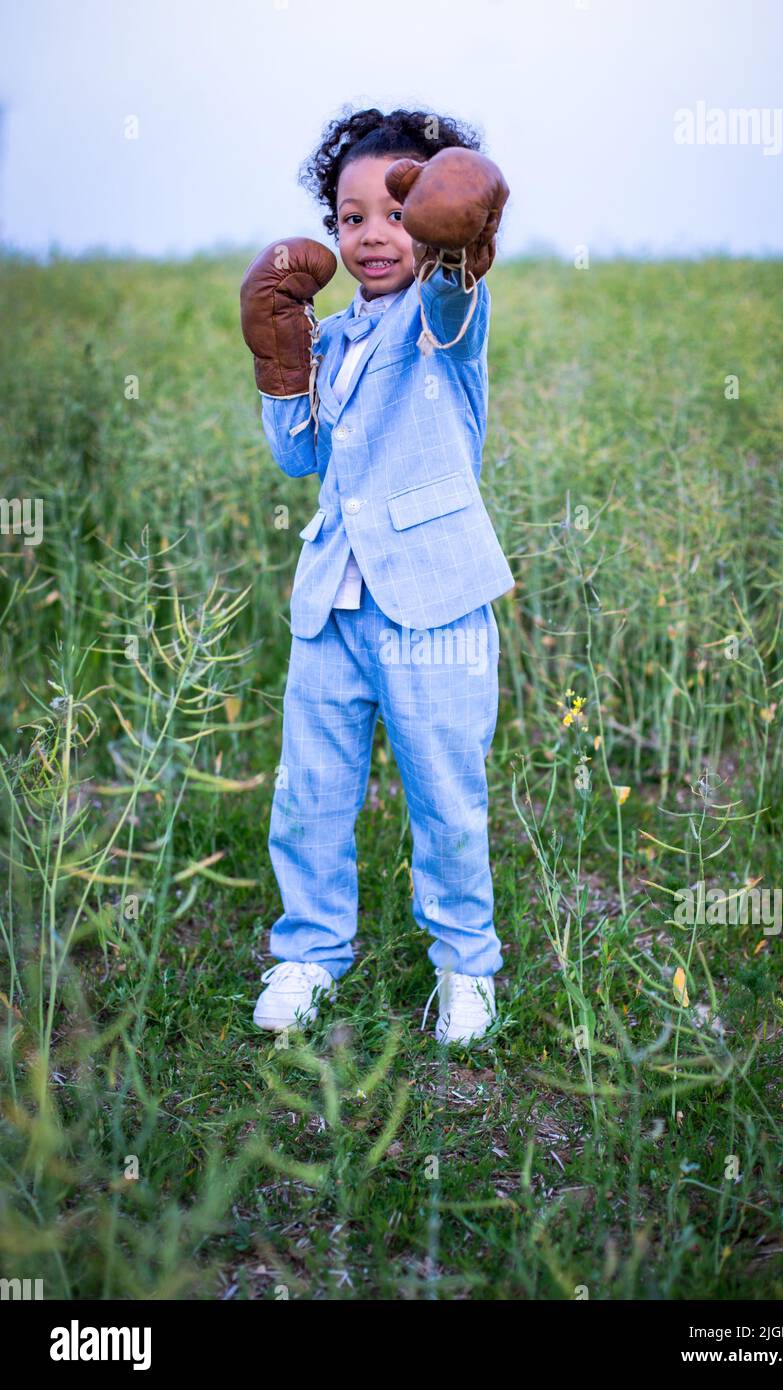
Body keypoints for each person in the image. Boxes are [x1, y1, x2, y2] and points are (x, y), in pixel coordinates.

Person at [239, 105, 514, 1044]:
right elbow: (300, 457)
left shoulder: (445, 320)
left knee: (444, 794)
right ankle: (309, 952)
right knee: (310, 793)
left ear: (432, 219)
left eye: (396, 213)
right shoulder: (334, 335)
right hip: (333, 602)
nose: (371, 236)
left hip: (434, 602)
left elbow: (453, 289)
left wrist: (457, 239)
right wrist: (282, 353)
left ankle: (466, 965)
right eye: (350, 218)